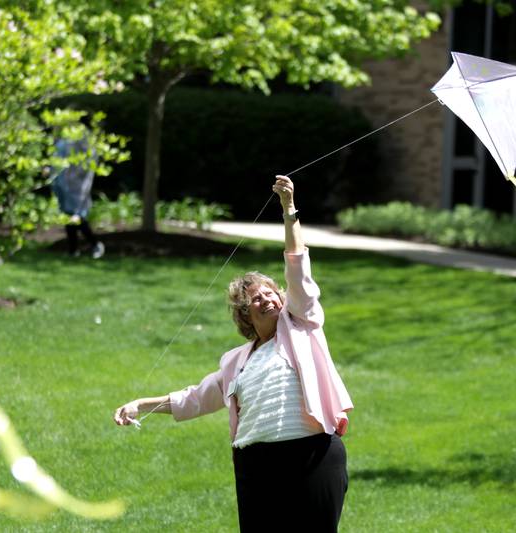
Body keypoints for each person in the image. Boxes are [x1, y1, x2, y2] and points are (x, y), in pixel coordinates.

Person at [114, 175, 353, 532]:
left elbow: (298, 270)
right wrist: (141, 404)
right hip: (256, 465)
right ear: (245, 314)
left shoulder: (302, 324)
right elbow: (196, 398)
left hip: (311, 456)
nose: (267, 298)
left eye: (272, 293)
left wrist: (289, 210)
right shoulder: (236, 361)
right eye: (256, 298)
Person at [51, 135, 105, 259]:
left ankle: (95, 244)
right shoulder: (65, 144)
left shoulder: (81, 146)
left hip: (77, 189)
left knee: (77, 218)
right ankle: (73, 250)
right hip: (66, 187)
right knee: (69, 219)